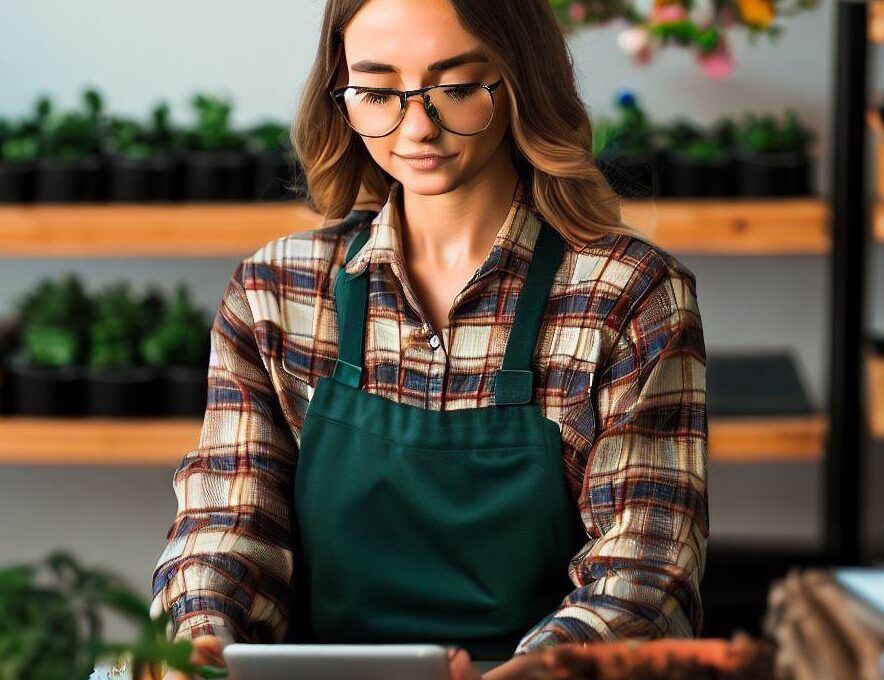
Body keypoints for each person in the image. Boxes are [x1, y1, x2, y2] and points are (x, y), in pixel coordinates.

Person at [150, 0, 709, 678]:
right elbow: (229, 524)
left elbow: (647, 567)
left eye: (458, 88)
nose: (417, 126)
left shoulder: (629, 295)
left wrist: (547, 667)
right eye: (378, 92)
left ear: (521, 79)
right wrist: (200, 634)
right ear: (340, 94)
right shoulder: (278, 290)